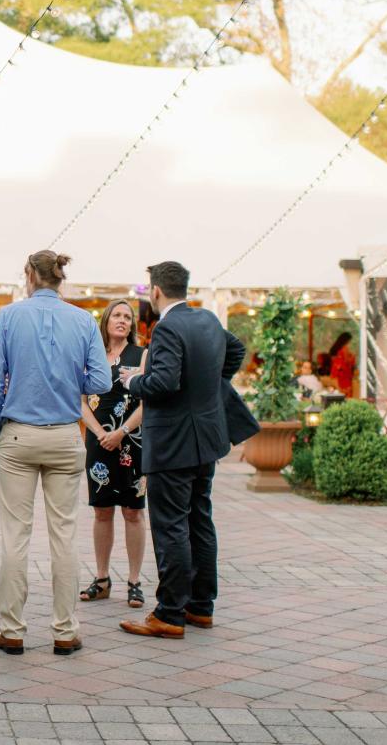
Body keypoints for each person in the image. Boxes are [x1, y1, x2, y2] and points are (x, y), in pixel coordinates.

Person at [0, 251, 110, 657]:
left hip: (17, 435)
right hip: (64, 437)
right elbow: (102, 381)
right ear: (59, 279)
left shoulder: (8, 318)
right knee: (64, 535)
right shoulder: (84, 321)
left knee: (15, 536)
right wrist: (73, 379)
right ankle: (65, 631)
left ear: (30, 275)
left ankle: (13, 630)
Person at [120, 261, 245, 640]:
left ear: (156, 291)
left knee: (171, 524)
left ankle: (170, 613)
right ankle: (201, 607)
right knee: (199, 520)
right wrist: (207, 389)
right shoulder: (207, 319)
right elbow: (236, 351)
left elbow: (164, 382)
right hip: (207, 438)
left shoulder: (168, 326)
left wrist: (133, 382)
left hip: (173, 442)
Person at [80, 299, 147, 611]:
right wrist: (98, 432)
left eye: (128, 317)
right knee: (101, 511)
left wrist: (121, 432)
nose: (122, 320)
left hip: (131, 440)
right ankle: (102, 578)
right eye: (117, 315)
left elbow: (148, 401)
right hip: (98, 441)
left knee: (133, 511)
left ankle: (134, 581)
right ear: (105, 321)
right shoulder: (91, 356)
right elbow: (79, 399)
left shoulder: (141, 355)